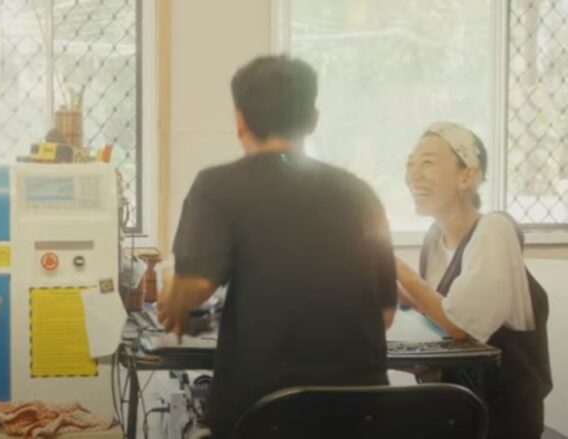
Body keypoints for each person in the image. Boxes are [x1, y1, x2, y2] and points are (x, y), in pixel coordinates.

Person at [157, 55, 397, 438]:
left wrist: (172, 289)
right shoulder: (361, 193)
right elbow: (385, 313)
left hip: (261, 417)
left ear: (239, 120)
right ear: (313, 119)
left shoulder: (217, 185)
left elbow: (196, 286)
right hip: (361, 416)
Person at [397, 122, 552, 439]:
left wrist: (396, 267)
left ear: (467, 175)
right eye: (409, 164)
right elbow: (439, 320)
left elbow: (462, 324)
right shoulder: (433, 240)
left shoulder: (495, 229)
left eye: (427, 162)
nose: (413, 175)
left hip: (501, 425)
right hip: (457, 417)